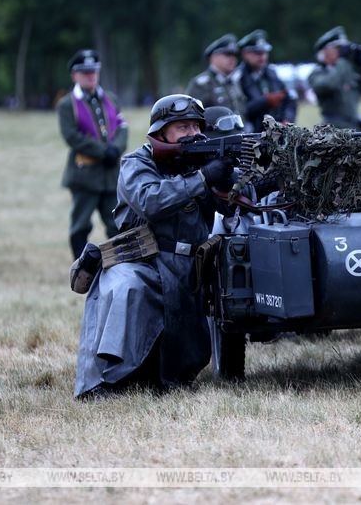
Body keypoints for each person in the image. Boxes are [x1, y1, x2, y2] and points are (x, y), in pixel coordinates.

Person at [74, 94, 234, 399]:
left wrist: (230, 179)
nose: (192, 133)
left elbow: (229, 205)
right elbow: (151, 200)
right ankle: (105, 382)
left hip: (188, 269)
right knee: (126, 290)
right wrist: (202, 178)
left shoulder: (198, 161)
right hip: (142, 261)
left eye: (196, 126)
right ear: (161, 133)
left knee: (181, 359)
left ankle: (162, 377)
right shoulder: (136, 163)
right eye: (182, 127)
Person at [57, 49, 128, 259]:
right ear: (74, 76)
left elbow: (123, 127)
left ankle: (120, 264)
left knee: (117, 224)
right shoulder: (66, 104)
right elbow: (72, 136)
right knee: (81, 225)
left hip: (110, 174)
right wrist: (103, 151)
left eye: (93, 71)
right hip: (84, 175)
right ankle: (81, 269)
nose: (90, 76)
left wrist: (116, 148)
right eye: (85, 72)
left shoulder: (111, 99)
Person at [308, 26, 361, 130]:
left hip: (354, 127)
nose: (341, 52)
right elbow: (329, 85)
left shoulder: (346, 70)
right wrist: (343, 61)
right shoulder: (318, 73)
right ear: (325, 51)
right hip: (332, 129)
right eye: (338, 48)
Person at [236, 29, 296, 131]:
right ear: (245, 54)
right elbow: (240, 110)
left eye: (264, 52)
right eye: (257, 53)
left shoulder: (272, 73)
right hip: (252, 134)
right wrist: (265, 101)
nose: (262, 56)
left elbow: (289, 100)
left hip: (277, 131)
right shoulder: (238, 77)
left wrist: (287, 120)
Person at [186, 33, 245, 113]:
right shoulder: (201, 83)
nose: (232, 59)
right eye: (227, 55)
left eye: (235, 55)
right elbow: (192, 113)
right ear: (213, 57)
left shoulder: (234, 81)